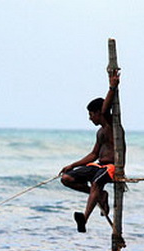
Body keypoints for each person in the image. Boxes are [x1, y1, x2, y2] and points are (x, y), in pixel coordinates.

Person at [60, 70, 120, 233]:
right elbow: (93, 155)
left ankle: (84, 219)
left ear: (98, 113)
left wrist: (112, 87)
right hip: (99, 166)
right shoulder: (100, 132)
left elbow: (106, 106)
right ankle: (101, 196)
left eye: (91, 114)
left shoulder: (110, 125)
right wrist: (72, 165)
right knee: (66, 178)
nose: (90, 118)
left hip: (112, 168)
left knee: (95, 184)